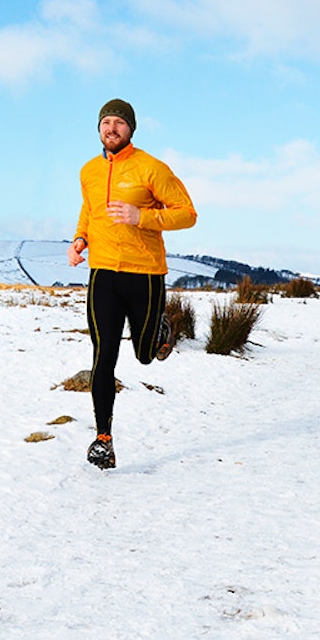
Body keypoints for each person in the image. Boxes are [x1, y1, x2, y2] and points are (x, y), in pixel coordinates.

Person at [67, 98, 197, 469]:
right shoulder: (89, 171)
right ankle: (103, 439)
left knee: (143, 356)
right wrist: (80, 239)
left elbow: (187, 214)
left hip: (145, 274)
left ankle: (160, 329)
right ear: (99, 129)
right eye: (106, 122)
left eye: (119, 123)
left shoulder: (152, 168)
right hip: (103, 274)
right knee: (103, 357)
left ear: (131, 129)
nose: (112, 128)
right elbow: (89, 210)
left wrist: (142, 215)